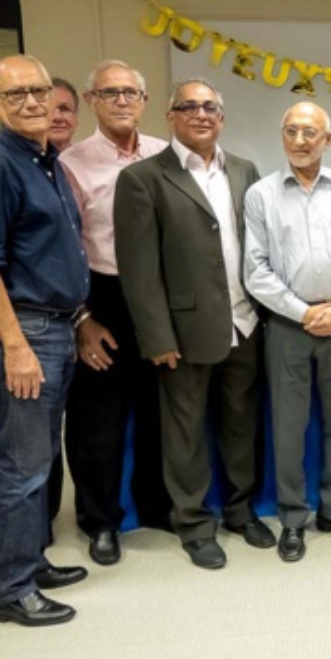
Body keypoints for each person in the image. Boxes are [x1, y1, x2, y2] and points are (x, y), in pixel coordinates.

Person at [0, 55, 91, 626]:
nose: (32, 103)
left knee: (40, 455)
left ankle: (30, 560)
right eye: (16, 96)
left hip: (56, 326)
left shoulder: (45, 161)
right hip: (26, 330)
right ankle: (8, 590)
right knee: (19, 463)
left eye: (39, 91)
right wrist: (14, 346)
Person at [114, 77, 270, 571]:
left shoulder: (245, 170)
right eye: (189, 106)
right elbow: (139, 270)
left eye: (210, 107)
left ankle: (242, 511)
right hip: (183, 332)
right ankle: (195, 524)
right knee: (185, 433)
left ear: (221, 117)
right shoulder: (143, 178)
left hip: (244, 322)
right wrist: (156, 336)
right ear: (171, 115)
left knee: (241, 424)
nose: (201, 114)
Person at [245, 101, 331, 561]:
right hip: (287, 328)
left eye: (310, 132)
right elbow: (256, 270)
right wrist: (304, 313)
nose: (300, 141)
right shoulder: (260, 194)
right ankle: (293, 519)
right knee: (289, 428)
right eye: (291, 131)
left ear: (328, 139)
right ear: (282, 136)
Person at [59, 60, 170, 566]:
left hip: (160, 299)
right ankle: (100, 521)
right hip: (101, 296)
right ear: (91, 101)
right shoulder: (72, 163)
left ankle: (155, 506)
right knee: (99, 423)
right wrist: (82, 319)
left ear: (145, 102)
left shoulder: (167, 156)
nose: (122, 101)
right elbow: (63, 249)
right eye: (110, 93)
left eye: (131, 93)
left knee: (158, 413)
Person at [48, 77, 79, 152]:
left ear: (76, 117)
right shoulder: (19, 161)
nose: (57, 117)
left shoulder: (91, 160)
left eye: (64, 109)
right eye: (49, 109)